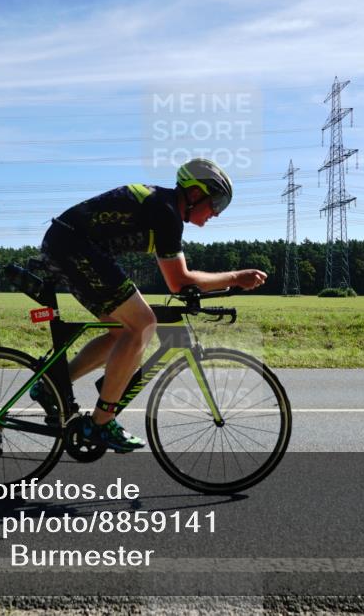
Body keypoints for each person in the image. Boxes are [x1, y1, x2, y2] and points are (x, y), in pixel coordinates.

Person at [31, 158, 267, 452]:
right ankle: (101, 422)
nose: (217, 213)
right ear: (195, 193)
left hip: (68, 244)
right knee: (143, 324)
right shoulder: (166, 212)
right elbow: (178, 280)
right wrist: (236, 278)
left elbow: (178, 278)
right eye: (217, 202)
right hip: (74, 247)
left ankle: (52, 385)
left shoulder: (163, 206)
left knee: (123, 332)